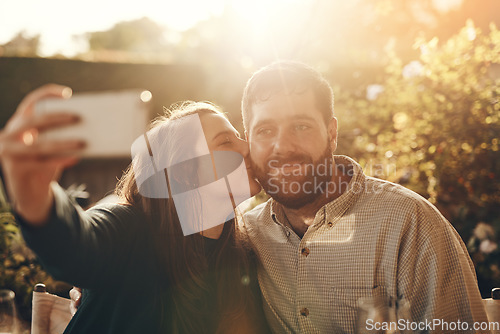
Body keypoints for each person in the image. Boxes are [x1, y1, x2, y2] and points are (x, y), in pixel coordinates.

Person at [239, 61, 490, 333]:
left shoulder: (411, 223)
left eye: (301, 126)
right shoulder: (247, 235)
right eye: (264, 131)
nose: (283, 146)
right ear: (248, 143)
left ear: (331, 134)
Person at [0, 84, 269, 334]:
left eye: (238, 136)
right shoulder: (128, 227)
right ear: (183, 173)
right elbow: (76, 246)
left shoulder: (244, 251)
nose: (247, 147)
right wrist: (34, 195)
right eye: (225, 142)